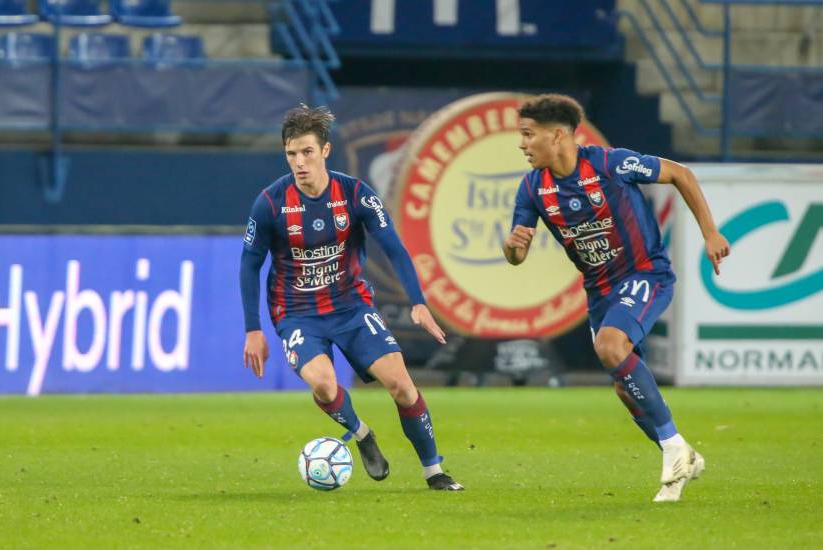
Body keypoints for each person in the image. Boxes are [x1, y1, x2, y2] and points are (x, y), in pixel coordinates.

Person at [503, 94, 730, 502]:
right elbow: (516, 256)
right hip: (601, 292)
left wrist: (710, 232)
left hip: (645, 275)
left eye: (527, 134)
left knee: (610, 346)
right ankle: (680, 458)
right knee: (626, 388)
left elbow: (680, 173)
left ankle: (675, 446)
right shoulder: (533, 188)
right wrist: (514, 247)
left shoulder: (609, 164)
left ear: (557, 135)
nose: (521, 144)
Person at [240, 105, 463, 491]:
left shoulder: (355, 194)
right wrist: (252, 329)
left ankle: (434, 471)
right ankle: (362, 435)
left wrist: (418, 302)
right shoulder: (271, 203)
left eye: (307, 152)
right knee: (325, 386)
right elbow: (249, 264)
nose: (299, 162)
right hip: (296, 314)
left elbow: (394, 248)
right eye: (292, 154)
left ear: (325, 150)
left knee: (402, 385)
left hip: (351, 307)